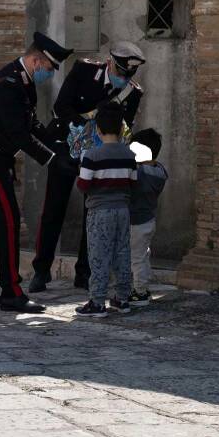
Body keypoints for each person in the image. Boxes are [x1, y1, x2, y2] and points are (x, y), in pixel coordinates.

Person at [0, 31, 74, 313]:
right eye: (48, 69)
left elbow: (33, 124)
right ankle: (11, 291)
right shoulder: (9, 84)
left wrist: (58, 148)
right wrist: (51, 160)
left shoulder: (23, 82)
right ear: (37, 61)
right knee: (9, 221)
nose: (48, 75)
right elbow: (19, 134)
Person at [30, 40, 146, 293]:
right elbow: (61, 107)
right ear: (109, 63)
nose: (122, 79)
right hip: (66, 148)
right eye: (119, 73)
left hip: (98, 156)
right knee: (53, 209)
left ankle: (85, 272)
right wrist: (84, 132)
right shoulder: (83, 71)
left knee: (92, 215)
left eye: (127, 76)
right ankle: (41, 271)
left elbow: (124, 129)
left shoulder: (133, 92)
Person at [74, 103, 137, 318]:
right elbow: (133, 182)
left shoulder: (91, 155)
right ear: (121, 129)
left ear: (98, 130)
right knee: (122, 253)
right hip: (122, 210)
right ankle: (122, 298)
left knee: (99, 255)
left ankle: (97, 301)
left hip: (99, 212)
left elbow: (83, 185)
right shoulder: (129, 155)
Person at [127, 128, 168, 307]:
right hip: (149, 219)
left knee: (136, 258)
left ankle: (140, 292)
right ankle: (143, 287)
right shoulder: (159, 171)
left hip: (136, 221)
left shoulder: (140, 174)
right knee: (143, 255)